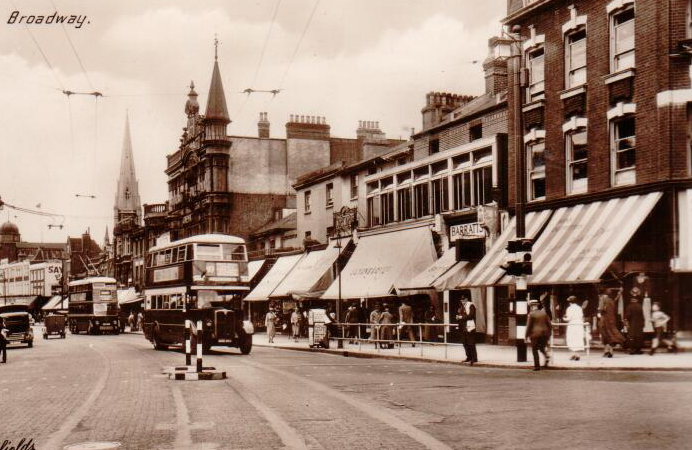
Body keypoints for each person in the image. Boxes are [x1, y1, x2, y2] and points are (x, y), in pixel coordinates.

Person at [525, 299, 552, 371]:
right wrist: (549, 334)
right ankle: (546, 356)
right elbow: (549, 325)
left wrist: (526, 336)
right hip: (545, 334)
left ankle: (537, 366)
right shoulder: (544, 313)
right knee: (541, 347)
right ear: (537, 306)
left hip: (535, 334)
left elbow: (528, 326)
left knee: (534, 350)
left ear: (531, 306)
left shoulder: (531, 314)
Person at [597, 291, 625, 357]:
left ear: (603, 295)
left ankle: (606, 351)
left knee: (605, 335)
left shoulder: (603, 300)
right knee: (611, 335)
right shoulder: (612, 301)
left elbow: (601, 310)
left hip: (605, 320)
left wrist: (599, 310)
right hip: (612, 320)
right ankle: (610, 351)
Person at [456, 295, 477, 364]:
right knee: (465, 343)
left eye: (463, 300)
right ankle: (468, 357)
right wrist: (458, 317)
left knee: (471, 343)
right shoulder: (462, 307)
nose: (462, 302)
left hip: (470, 327)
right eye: (461, 300)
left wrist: (461, 317)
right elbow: (460, 315)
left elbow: (471, 315)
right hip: (463, 328)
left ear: (466, 299)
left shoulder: (471, 305)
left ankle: (474, 358)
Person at [625, 287, 645, 354]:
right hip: (639, 323)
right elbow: (642, 315)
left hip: (632, 323)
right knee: (639, 336)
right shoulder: (640, 306)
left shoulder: (629, 306)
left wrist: (626, 323)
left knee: (632, 336)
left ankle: (632, 349)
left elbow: (627, 316)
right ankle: (638, 349)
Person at [564, 296, 585, 361]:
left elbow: (568, 318)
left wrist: (564, 318)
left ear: (570, 302)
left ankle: (573, 354)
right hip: (579, 324)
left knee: (571, 338)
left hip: (572, 324)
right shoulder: (579, 308)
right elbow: (581, 316)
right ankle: (577, 354)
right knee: (578, 339)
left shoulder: (569, 308)